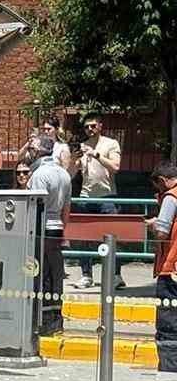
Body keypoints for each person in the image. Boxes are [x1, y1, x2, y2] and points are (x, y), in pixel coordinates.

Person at [27, 137, 72, 336]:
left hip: (42, 227)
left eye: (32, 148)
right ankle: (55, 318)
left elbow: (34, 205)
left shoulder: (40, 174)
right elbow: (67, 208)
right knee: (55, 274)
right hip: (57, 226)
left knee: (41, 273)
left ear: (38, 152)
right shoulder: (63, 173)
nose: (29, 152)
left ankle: (44, 320)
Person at [76, 114, 122, 288]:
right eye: (87, 127)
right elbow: (75, 173)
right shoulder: (83, 146)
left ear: (100, 126)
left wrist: (96, 155)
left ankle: (115, 275)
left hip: (107, 196)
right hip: (86, 196)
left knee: (110, 236)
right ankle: (86, 275)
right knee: (84, 237)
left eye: (93, 126)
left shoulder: (111, 144)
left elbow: (116, 167)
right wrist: (77, 162)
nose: (90, 129)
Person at [148, 160, 177, 374]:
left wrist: (153, 223)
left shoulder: (170, 197)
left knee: (168, 323)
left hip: (171, 269)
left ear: (162, 181)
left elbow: (162, 233)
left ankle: (169, 370)